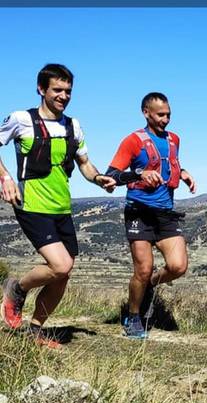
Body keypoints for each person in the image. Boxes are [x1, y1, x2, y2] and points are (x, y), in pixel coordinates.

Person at [0, 63, 116, 348]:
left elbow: (85, 164)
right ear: (41, 89)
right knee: (60, 265)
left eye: (68, 91)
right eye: (57, 90)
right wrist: (4, 177)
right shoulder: (20, 119)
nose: (64, 96)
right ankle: (17, 288)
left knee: (63, 275)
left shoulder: (72, 126)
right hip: (31, 204)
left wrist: (100, 179)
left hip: (62, 207)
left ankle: (35, 331)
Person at [106, 92, 196, 339]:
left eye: (168, 114)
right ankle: (133, 317)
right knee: (143, 270)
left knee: (178, 266)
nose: (165, 119)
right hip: (139, 212)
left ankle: (149, 288)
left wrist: (185, 172)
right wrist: (138, 174)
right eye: (160, 115)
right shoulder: (132, 141)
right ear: (146, 112)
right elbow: (111, 177)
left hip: (165, 212)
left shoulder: (174, 139)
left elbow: (170, 163)